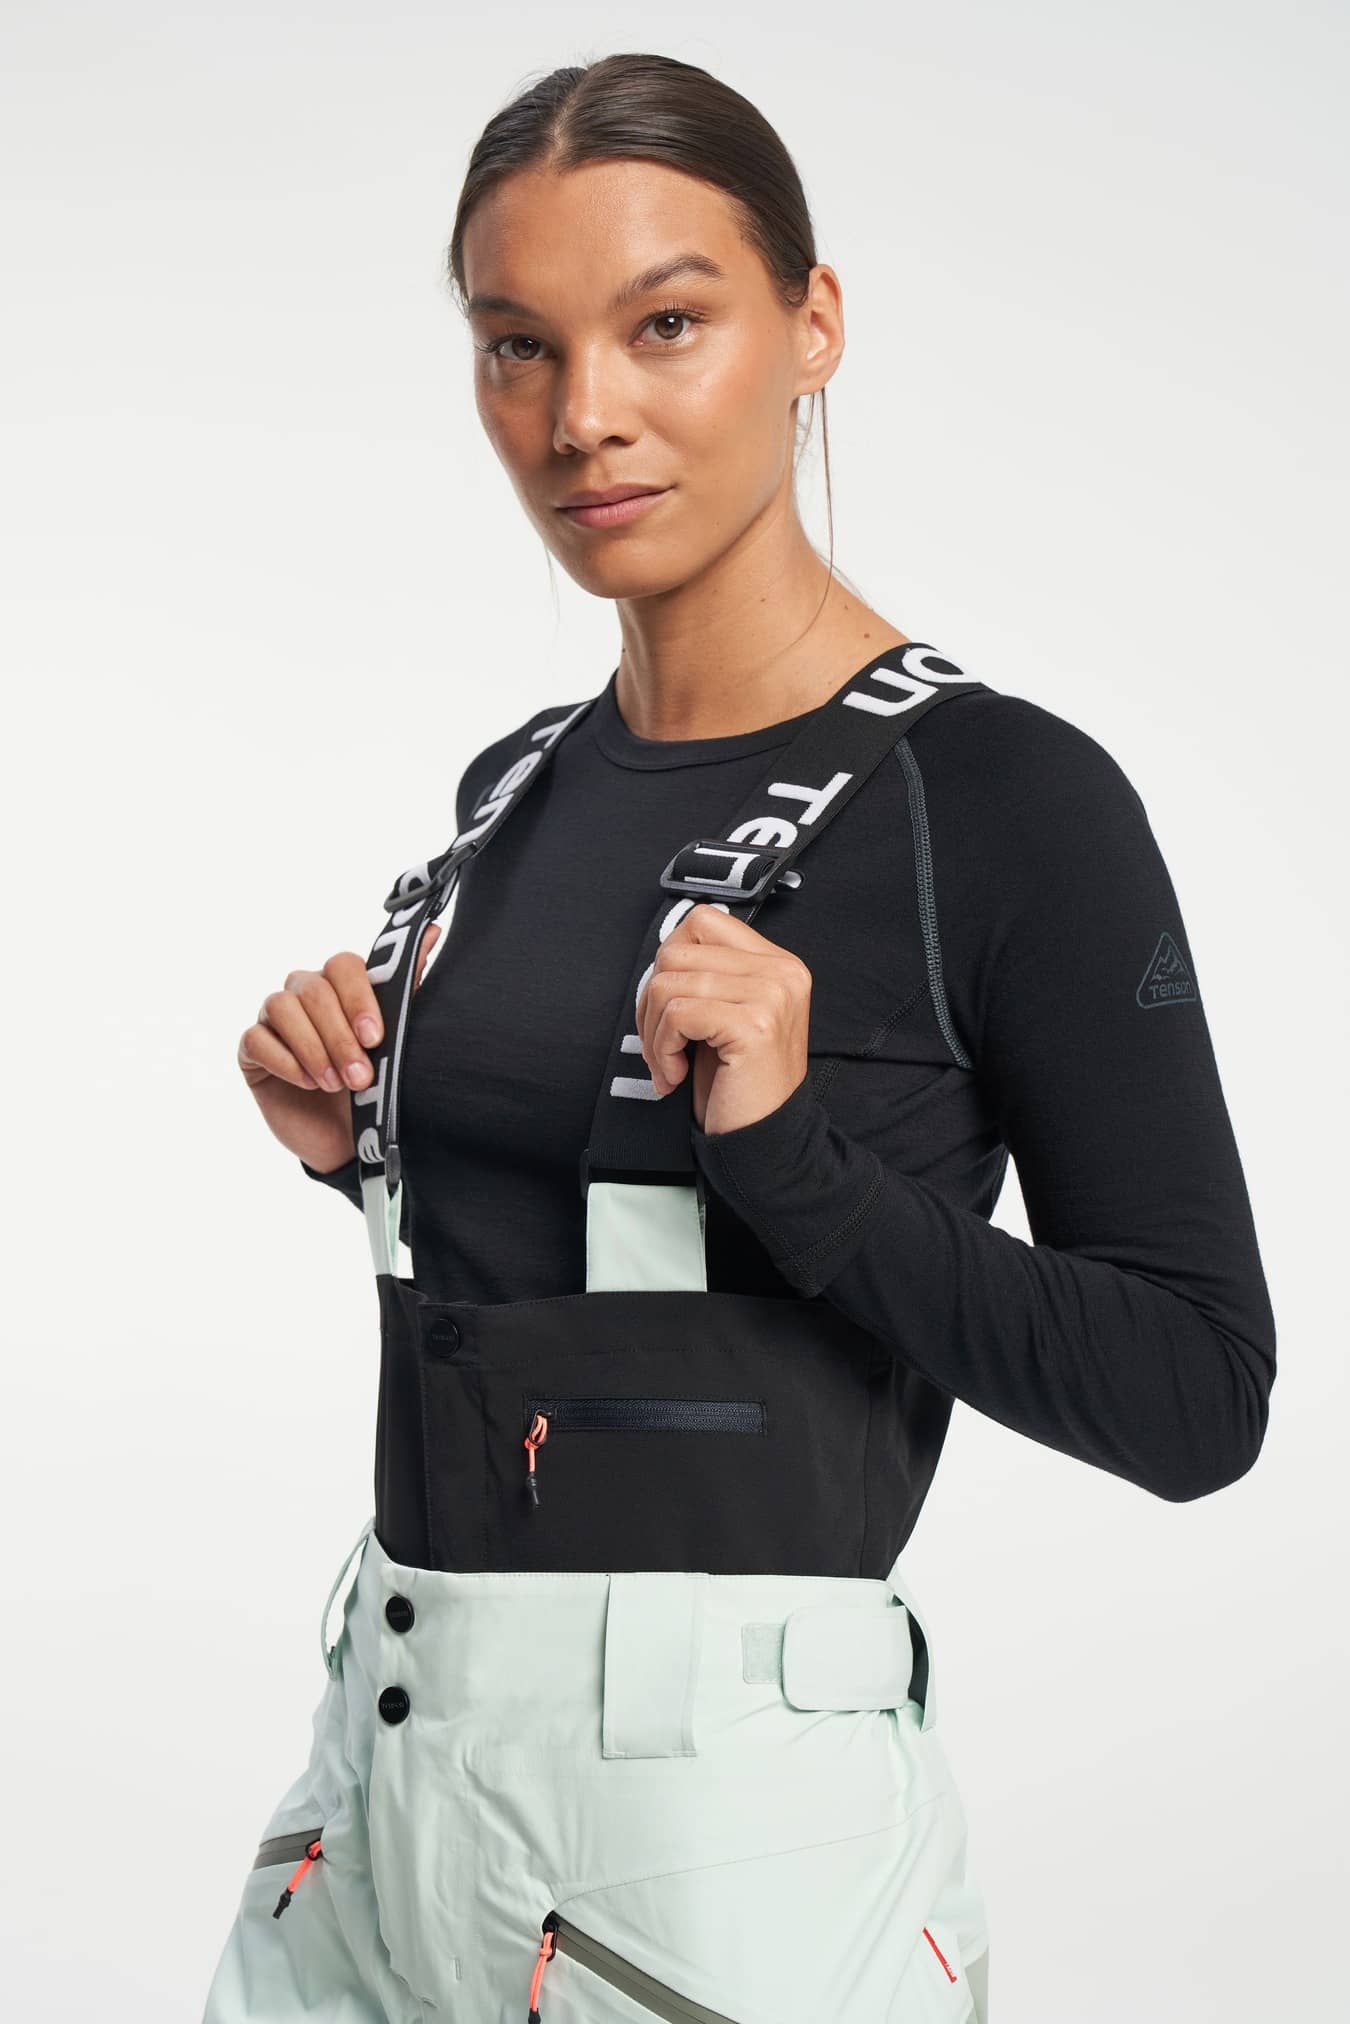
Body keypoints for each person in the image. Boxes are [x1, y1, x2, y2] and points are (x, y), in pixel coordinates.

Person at [206, 50, 1277, 2024]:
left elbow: (1198, 1397)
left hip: (714, 1853)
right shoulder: (514, 786)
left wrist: (797, 1160)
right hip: (379, 1778)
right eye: (517, 346)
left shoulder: (1007, 803)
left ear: (813, 325)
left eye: (665, 324)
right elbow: (598, 1293)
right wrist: (358, 1137)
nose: (581, 416)